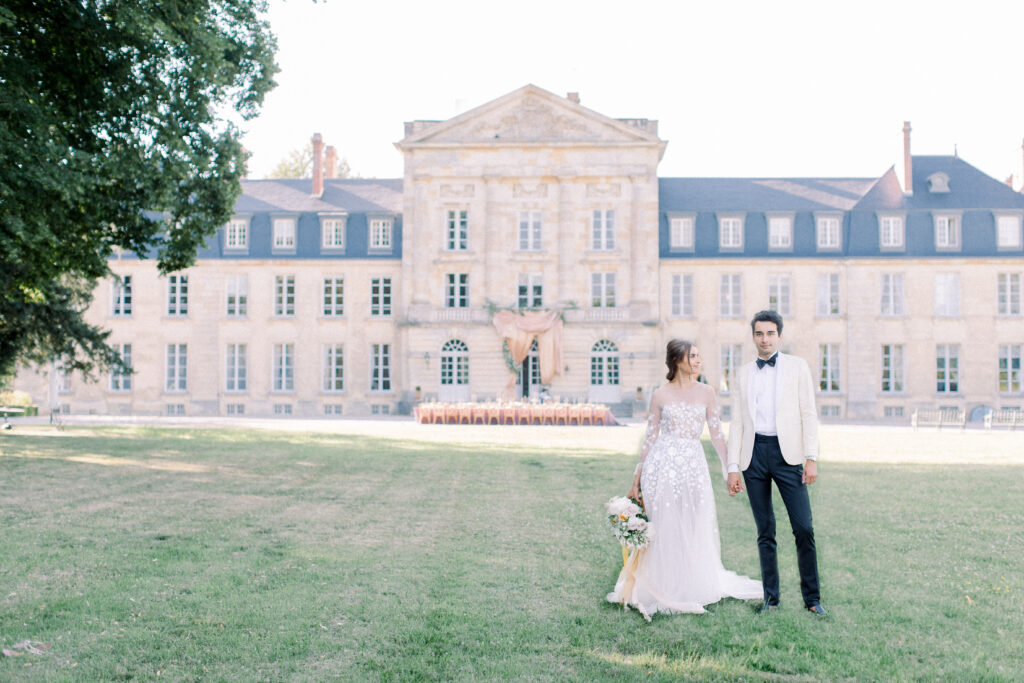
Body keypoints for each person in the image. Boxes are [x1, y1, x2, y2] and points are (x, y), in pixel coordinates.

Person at [607, 339, 762, 618]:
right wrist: (637, 477)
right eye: (693, 356)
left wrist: (731, 470)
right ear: (678, 360)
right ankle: (661, 583)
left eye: (699, 356)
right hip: (661, 465)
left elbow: (717, 435)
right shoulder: (660, 395)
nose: (698, 361)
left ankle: (691, 582)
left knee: (694, 521)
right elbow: (649, 439)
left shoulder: (707, 393)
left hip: (693, 465)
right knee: (664, 524)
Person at [726, 310, 826, 616]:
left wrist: (811, 458)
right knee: (765, 530)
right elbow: (737, 423)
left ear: (779, 336)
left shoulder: (797, 367)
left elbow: (808, 413)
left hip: (789, 456)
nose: (764, 339)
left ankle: (812, 599)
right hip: (753, 455)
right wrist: (732, 467)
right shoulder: (743, 373)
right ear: (753, 336)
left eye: (770, 333)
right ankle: (771, 599)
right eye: (759, 334)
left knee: (804, 527)